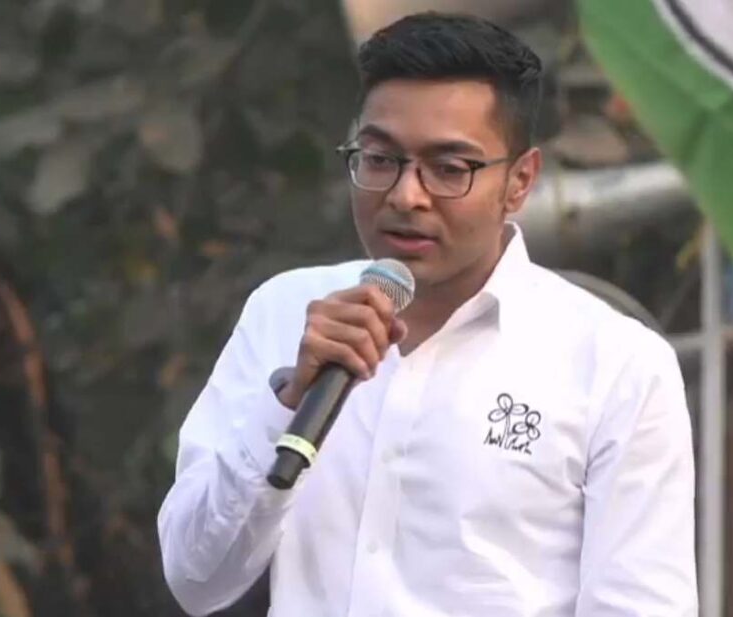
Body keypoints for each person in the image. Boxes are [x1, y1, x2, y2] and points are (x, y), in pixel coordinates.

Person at [158, 11, 696, 617]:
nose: (405, 196)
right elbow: (195, 580)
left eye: (449, 169)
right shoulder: (284, 313)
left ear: (520, 182)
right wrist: (285, 403)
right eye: (379, 159)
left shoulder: (618, 364)